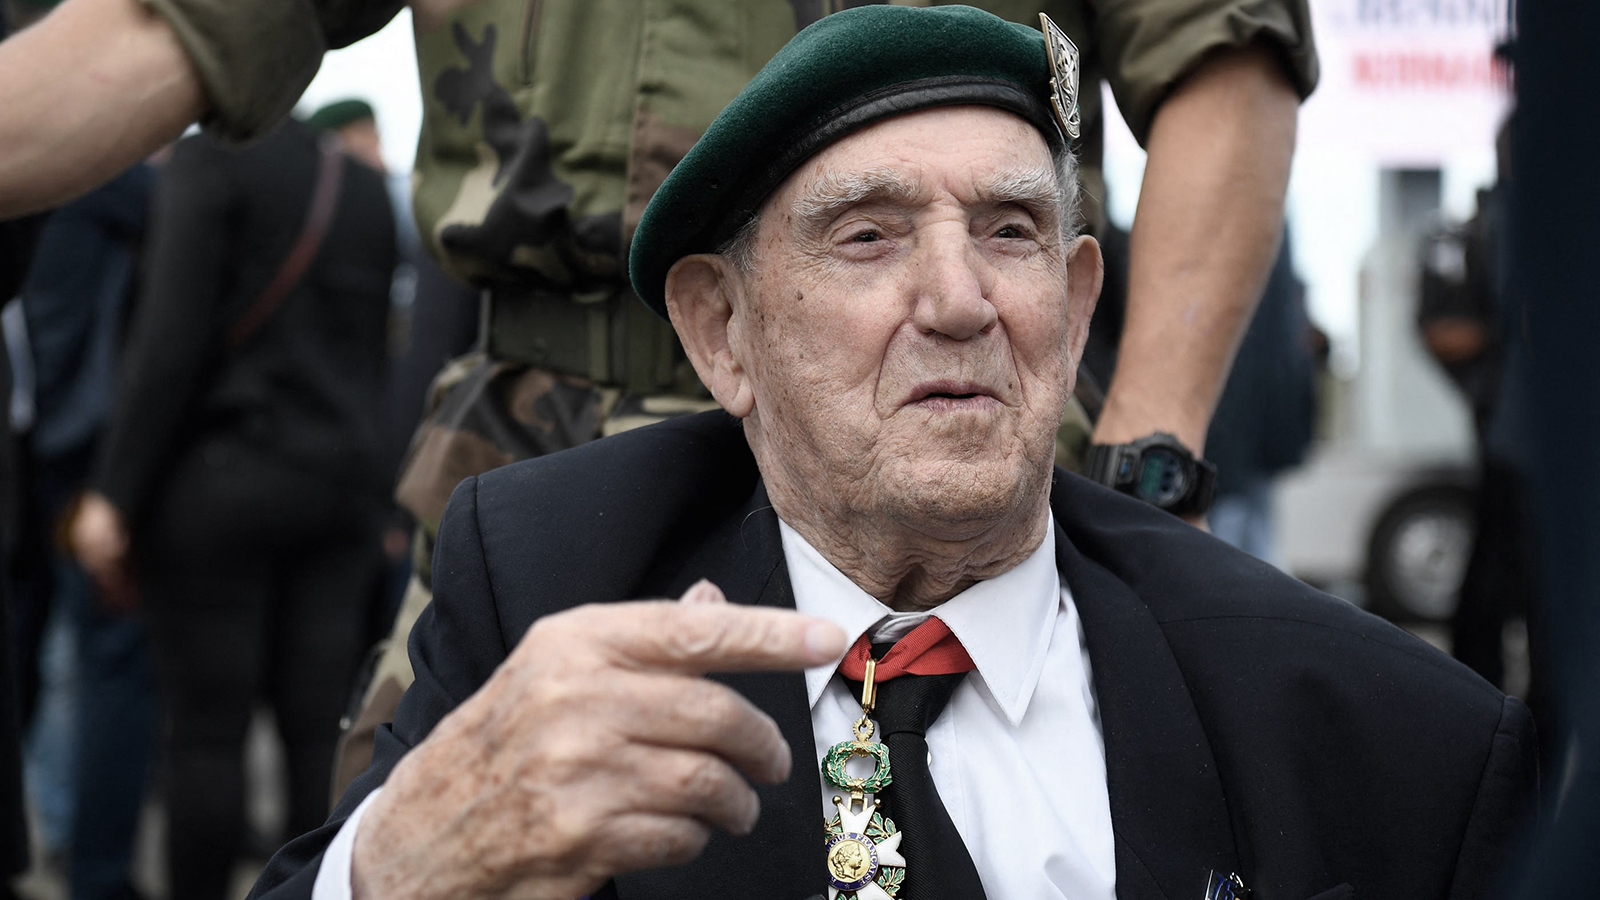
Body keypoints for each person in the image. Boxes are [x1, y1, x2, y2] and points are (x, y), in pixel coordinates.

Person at [249, 9, 1534, 899]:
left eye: (1011, 231)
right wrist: (401, 864)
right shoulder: (548, 585)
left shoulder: (1378, 730)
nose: (959, 300)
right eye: (866, 236)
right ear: (722, 333)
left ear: (1076, 304)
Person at [66, 117, 396, 900]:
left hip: (222, 481)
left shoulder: (211, 160)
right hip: (341, 487)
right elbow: (380, 349)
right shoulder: (364, 184)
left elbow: (167, 337)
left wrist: (115, 490)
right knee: (320, 729)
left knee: (207, 737)